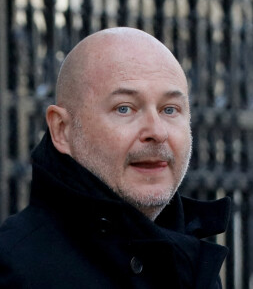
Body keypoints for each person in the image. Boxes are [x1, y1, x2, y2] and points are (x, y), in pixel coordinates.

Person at [0, 27, 231, 288]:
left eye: (169, 109)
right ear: (62, 130)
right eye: (124, 108)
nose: (156, 131)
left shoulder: (190, 262)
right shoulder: (14, 269)